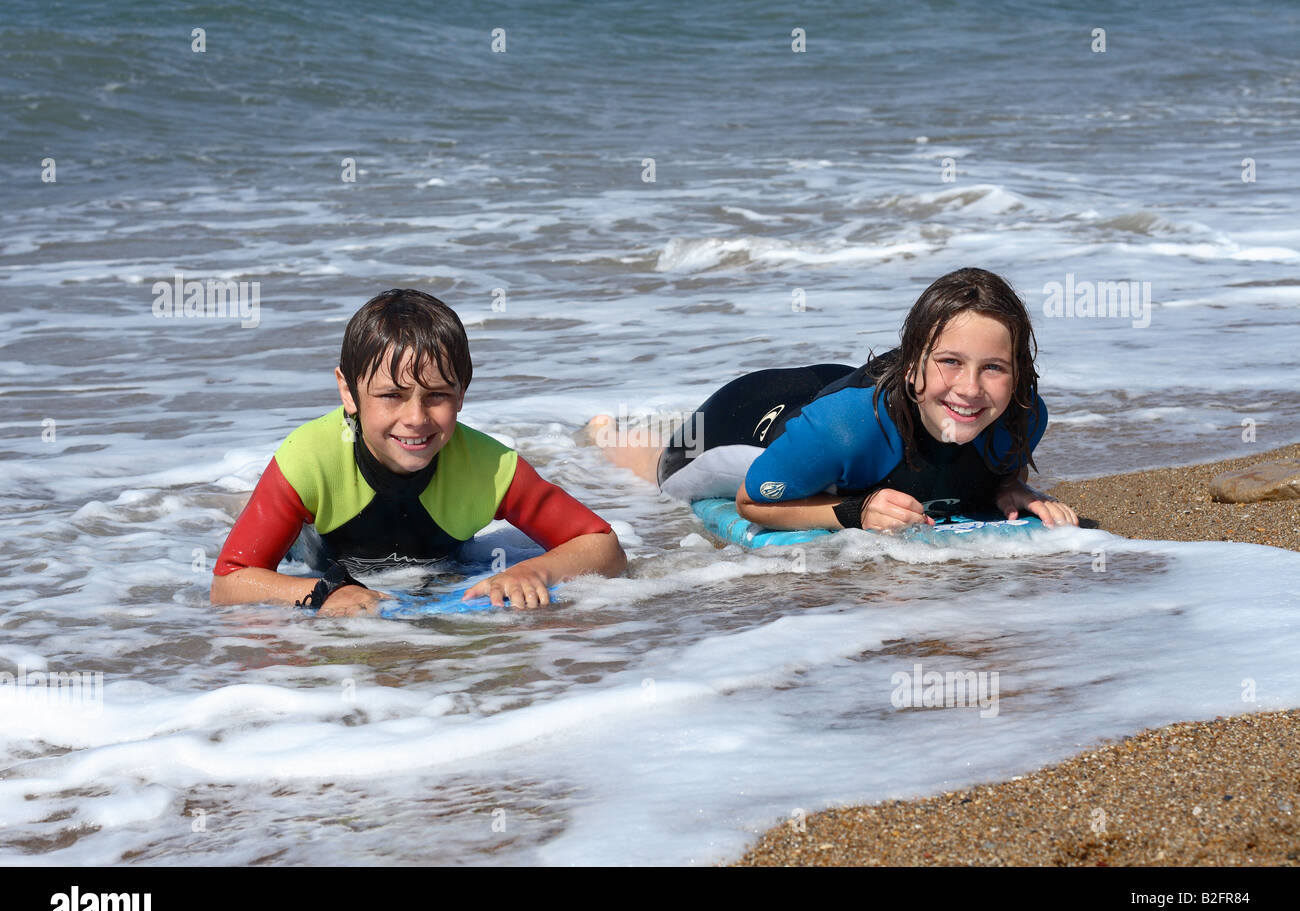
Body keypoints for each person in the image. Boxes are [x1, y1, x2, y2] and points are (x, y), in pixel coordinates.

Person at [211, 289, 627, 614]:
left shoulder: (490, 467)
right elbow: (229, 584)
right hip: (315, 553)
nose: (415, 418)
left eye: (437, 395)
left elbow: (602, 546)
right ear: (348, 392)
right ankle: (243, 503)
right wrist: (322, 593)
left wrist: (533, 571)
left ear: (462, 393)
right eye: (391, 395)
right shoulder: (308, 461)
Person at [589, 267, 1078, 531]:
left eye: (993, 367)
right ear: (912, 365)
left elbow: (989, 457)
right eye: (950, 361)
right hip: (747, 418)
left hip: (833, 393)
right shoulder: (845, 429)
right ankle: (604, 433)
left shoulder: (1023, 414)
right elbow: (750, 503)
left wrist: (1009, 486)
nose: (971, 388)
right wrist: (852, 512)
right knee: (663, 473)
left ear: (1018, 374)